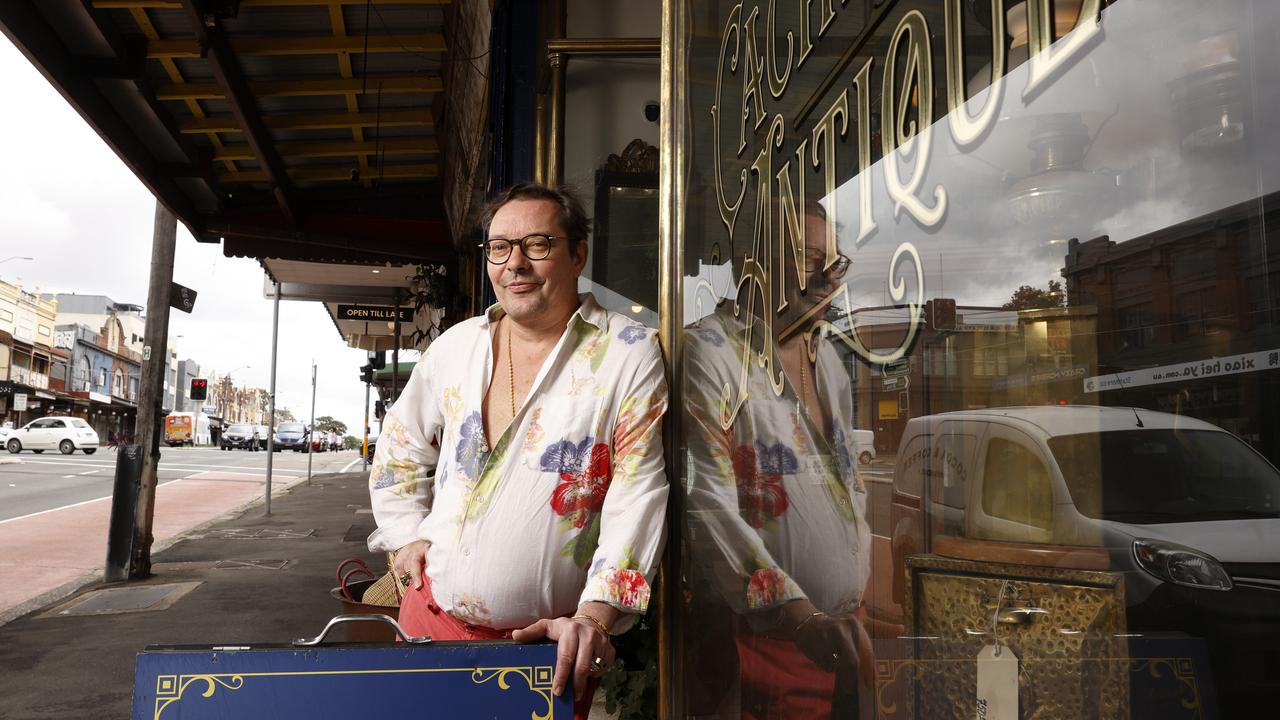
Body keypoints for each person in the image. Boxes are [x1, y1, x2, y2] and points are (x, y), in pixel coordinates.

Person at [367, 182, 669, 718]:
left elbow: (637, 494)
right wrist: (402, 539)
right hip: (426, 623)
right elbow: (399, 448)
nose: (515, 265)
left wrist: (597, 618)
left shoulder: (626, 352)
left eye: (537, 244)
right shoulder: (455, 348)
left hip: (542, 655)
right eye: (500, 248)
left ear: (578, 254)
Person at [683, 200, 878, 718]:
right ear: (752, 259)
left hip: (845, 638)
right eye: (803, 256)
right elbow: (708, 508)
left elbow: (849, 488)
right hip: (758, 649)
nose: (822, 276)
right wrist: (797, 616)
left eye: (831, 262)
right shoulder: (710, 353)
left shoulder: (829, 360)